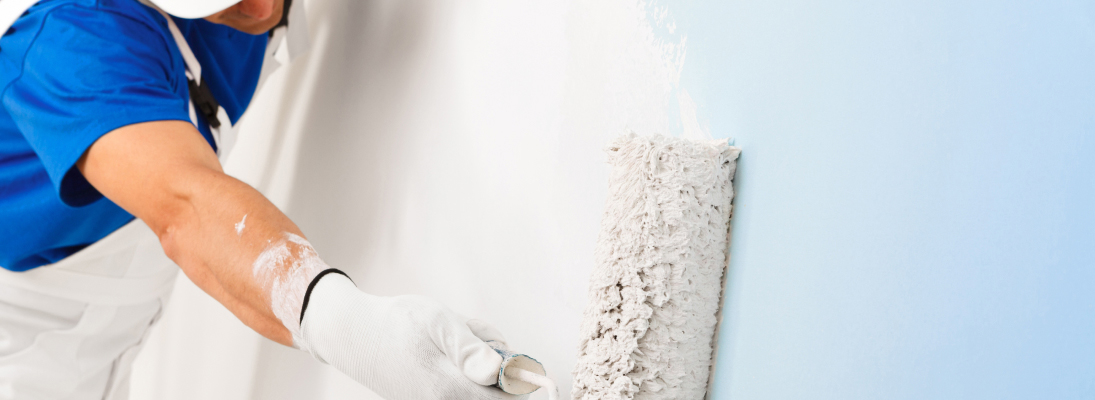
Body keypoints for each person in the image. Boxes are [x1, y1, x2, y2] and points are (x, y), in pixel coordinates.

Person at [0, 0, 522, 399]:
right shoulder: (69, 43)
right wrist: (346, 325)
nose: (262, 9)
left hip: (109, 341)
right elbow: (188, 206)